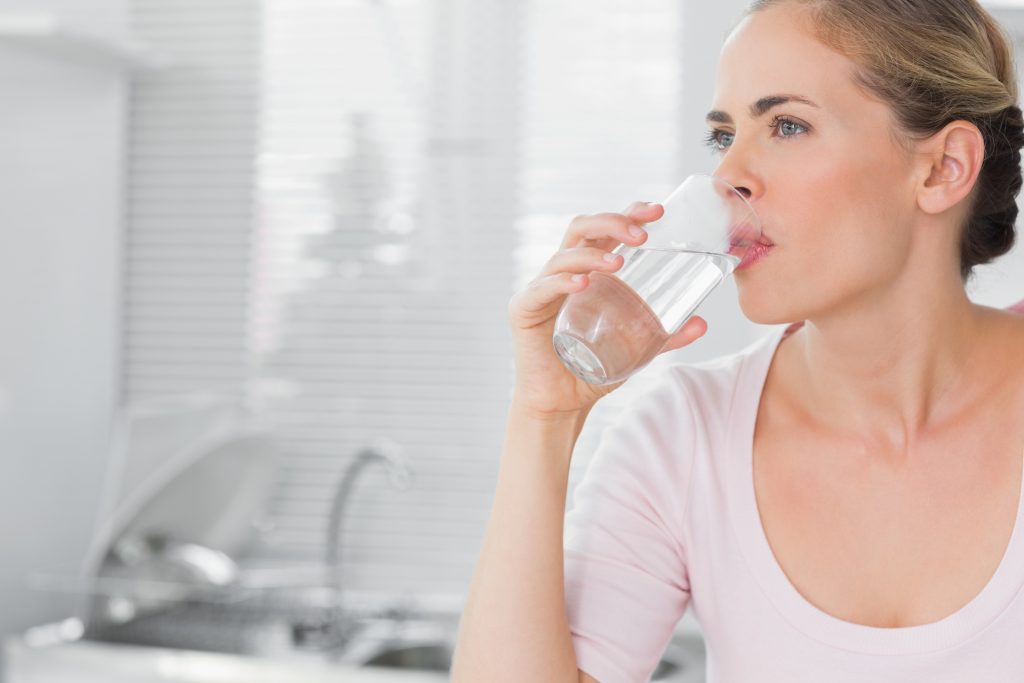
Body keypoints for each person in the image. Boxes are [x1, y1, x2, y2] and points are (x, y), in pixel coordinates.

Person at [451, 0, 1024, 680]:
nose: (730, 177)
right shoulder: (683, 432)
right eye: (725, 136)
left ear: (943, 168)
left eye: (787, 124)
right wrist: (545, 418)